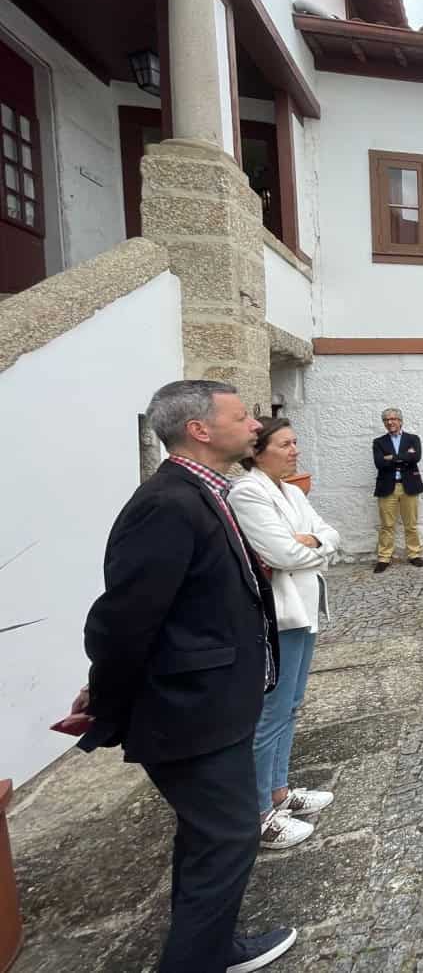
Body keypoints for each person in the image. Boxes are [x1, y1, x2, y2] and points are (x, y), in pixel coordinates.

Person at [74, 380, 296, 972]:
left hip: (210, 705)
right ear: (199, 429)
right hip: (190, 712)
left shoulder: (205, 493)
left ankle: (215, 944)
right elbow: (121, 621)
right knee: (227, 839)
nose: (256, 426)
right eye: (241, 416)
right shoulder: (167, 504)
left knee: (208, 840)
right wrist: (108, 703)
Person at [229, 417, 341, 851]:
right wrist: (309, 548)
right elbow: (278, 552)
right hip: (279, 614)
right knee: (272, 712)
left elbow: (332, 536)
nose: (294, 450)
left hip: (305, 606)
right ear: (257, 452)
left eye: (295, 442)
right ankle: (259, 812)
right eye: (285, 444)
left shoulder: (292, 491)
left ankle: (279, 789)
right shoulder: (247, 492)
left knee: (292, 705)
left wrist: (310, 542)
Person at [372, 407, 423, 573]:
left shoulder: (413, 439)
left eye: (393, 419)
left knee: (411, 524)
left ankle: (414, 554)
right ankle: (384, 558)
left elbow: (416, 457)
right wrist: (403, 457)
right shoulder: (379, 442)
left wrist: (392, 458)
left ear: (400, 421)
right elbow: (379, 463)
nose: (390, 422)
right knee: (387, 525)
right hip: (388, 487)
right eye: (386, 420)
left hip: (409, 485)